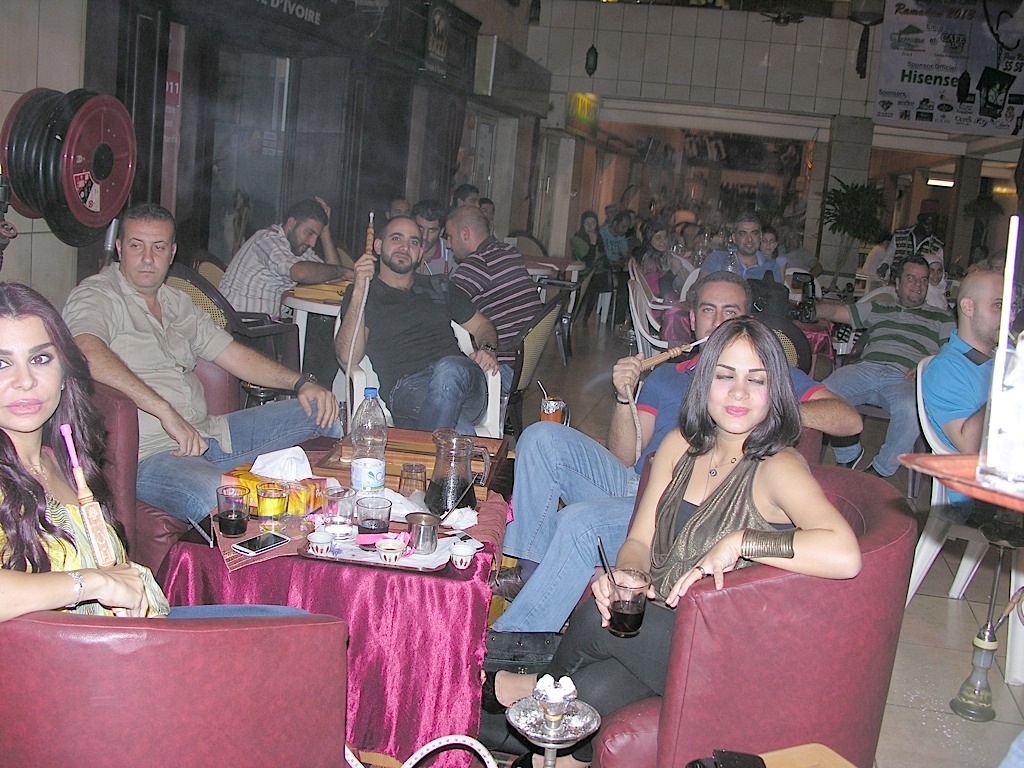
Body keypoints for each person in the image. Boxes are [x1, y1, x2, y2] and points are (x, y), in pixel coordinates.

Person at [486, 317, 862, 767]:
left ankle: (529, 687)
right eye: (725, 375)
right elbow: (639, 541)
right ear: (704, 382)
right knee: (597, 686)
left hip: (728, 651)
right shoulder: (679, 446)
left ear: (775, 390)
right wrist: (628, 574)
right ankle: (538, 744)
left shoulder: (777, 466)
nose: (739, 393)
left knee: (594, 618)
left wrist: (742, 541)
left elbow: (844, 553)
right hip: (665, 635)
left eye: (756, 379)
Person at [489, 271, 862, 632]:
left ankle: (519, 637)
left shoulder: (765, 374)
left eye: (730, 311)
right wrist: (624, 397)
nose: (718, 320)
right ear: (693, 320)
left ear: (746, 320)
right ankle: (529, 572)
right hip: (640, 481)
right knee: (540, 437)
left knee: (579, 522)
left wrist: (768, 408)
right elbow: (624, 456)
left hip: (684, 501)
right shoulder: (668, 373)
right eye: (708, 310)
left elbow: (848, 419)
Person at [0, 282, 302, 621]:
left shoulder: (60, 459)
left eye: (40, 359)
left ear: (63, 373)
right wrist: (91, 583)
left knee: (298, 623)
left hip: (143, 626)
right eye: (1, 363)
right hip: (89, 649)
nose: (25, 381)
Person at [62, 203, 342, 524]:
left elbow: (232, 354)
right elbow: (85, 351)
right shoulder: (97, 295)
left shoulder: (176, 302)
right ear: (120, 248)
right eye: (137, 246)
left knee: (323, 412)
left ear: (172, 253)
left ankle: (334, 527)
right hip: (150, 455)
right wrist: (165, 411)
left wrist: (301, 383)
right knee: (220, 497)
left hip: (210, 433)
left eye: (158, 247)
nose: (148, 258)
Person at [334, 215, 499, 433]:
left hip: (463, 382)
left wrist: (487, 349)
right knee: (457, 428)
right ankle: (445, 450)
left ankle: (430, 450)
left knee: (449, 369)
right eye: (396, 238)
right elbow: (348, 357)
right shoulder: (365, 294)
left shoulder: (440, 285)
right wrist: (358, 290)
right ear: (378, 246)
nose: (405, 247)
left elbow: (482, 326)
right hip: (408, 390)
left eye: (413, 242)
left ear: (420, 252)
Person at [817, 255, 955, 477]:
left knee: (912, 409)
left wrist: (928, 364)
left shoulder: (942, 317)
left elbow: (953, 354)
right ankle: (848, 451)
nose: (918, 285)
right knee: (822, 393)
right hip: (866, 369)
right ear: (897, 284)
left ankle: (881, 470)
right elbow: (836, 312)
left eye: (923, 279)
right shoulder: (879, 307)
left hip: (905, 377)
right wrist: (810, 309)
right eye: (911, 278)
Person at [446, 205, 542, 393]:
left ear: (465, 234)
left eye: (450, 236)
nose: (448, 244)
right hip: (523, 364)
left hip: (501, 368)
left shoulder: (478, 263)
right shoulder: (509, 251)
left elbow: (443, 305)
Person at [219, 198, 353, 317]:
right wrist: (343, 271)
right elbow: (299, 273)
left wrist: (325, 232)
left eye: (316, 236)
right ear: (291, 223)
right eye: (309, 232)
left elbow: (332, 276)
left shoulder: (298, 248)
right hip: (239, 326)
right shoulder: (267, 240)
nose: (312, 242)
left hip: (261, 326)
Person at [699, 211, 781, 283]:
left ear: (760, 236)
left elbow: (778, 295)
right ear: (734, 238)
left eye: (754, 233)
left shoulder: (771, 267)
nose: (749, 239)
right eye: (743, 234)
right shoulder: (717, 259)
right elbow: (697, 289)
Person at [878, 202, 943, 284]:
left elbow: (940, 270)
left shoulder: (937, 245)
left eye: (933, 225)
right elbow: (888, 258)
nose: (930, 228)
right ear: (919, 221)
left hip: (918, 288)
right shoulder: (900, 235)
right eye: (927, 224)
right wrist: (884, 266)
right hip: (895, 285)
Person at [569, 211, 608, 323]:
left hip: (597, 272)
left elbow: (603, 256)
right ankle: (578, 316)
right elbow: (588, 262)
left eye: (593, 223)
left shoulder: (599, 237)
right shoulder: (578, 239)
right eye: (587, 223)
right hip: (583, 273)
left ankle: (586, 317)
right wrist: (592, 243)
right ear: (583, 224)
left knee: (602, 279)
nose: (590, 226)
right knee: (593, 283)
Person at [411, 199, 451, 276]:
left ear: (441, 232)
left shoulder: (453, 257)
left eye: (432, 230)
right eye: (420, 228)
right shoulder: (402, 250)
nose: (424, 236)